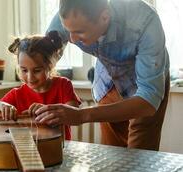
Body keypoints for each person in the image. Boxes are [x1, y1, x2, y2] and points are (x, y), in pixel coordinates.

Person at [35, 0, 170, 150]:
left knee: (141, 157)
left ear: (105, 17)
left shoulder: (145, 22)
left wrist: (81, 115)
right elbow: (41, 59)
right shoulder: (71, 15)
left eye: (79, 32)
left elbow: (148, 100)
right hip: (107, 81)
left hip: (146, 85)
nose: (72, 39)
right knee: (112, 155)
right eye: (68, 31)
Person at [0, 31, 81, 140]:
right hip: (27, 151)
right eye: (24, 70)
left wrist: (48, 110)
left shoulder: (63, 85)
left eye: (37, 70)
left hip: (60, 149)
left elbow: (76, 117)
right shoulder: (17, 94)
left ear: (50, 65)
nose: (30, 77)